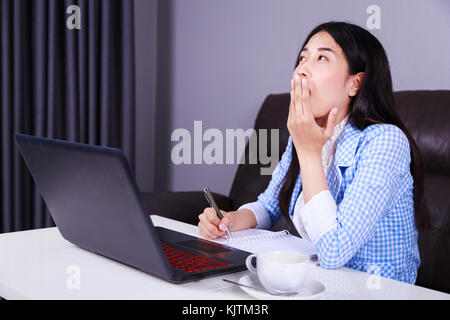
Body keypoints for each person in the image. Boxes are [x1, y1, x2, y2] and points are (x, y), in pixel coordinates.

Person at [197, 21, 429, 284]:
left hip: (373, 290)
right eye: (302, 58)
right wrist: (230, 220)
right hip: (319, 282)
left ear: (355, 84)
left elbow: (334, 250)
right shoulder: (305, 135)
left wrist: (309, 152)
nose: (302, 70)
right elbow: (268, 207)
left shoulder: (385, 141)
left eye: (321, 58)